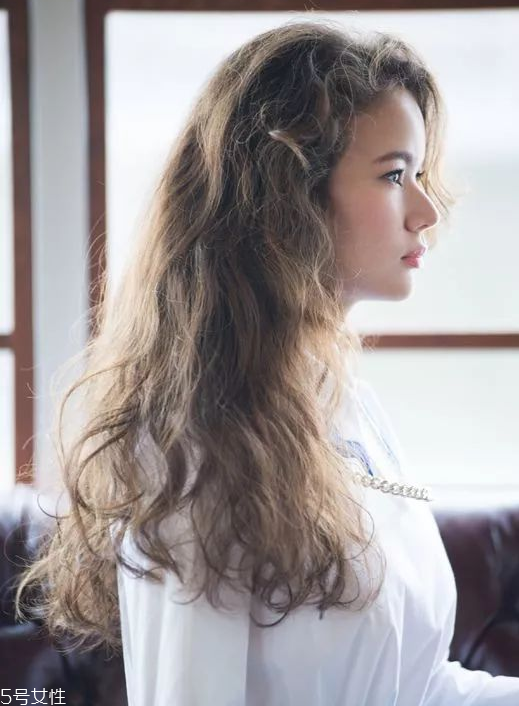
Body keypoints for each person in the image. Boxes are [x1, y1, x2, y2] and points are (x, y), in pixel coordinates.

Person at [15, 18, 519, 706]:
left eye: (419, 174)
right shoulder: (194, 444)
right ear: (288, 196)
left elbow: (415, 686)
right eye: (394, 175)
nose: (426, 211)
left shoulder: (345, 405)